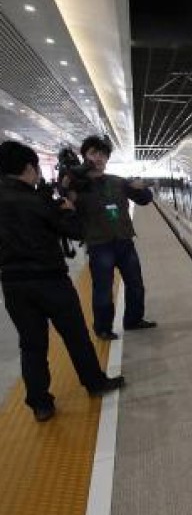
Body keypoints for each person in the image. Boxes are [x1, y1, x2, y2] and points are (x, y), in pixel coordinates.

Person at [0, 141, 125, 421]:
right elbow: (74, 231)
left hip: (13, 284)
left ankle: (40, 404)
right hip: (49, 279)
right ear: (30, 167)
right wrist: (68, 208)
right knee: (75, 335)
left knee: (31, 345)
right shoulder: (35, 200)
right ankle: (95, 382)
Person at [71, 135, 156, 340]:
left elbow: (144, 201)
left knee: (135, 284)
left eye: (102, 154)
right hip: (100, 246)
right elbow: (66, 201)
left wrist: (142, 189)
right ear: (84, 157)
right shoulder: (78, 187)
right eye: (93, 153)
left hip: (124, 241)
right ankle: (103, 328)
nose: (98, 158)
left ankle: (133, 320)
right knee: (103, 290)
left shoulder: (118, 182)